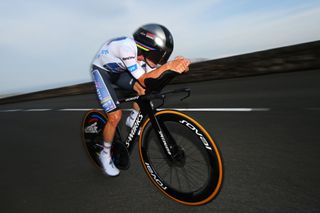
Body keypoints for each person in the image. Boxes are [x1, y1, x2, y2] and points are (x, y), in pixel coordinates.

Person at [91, 23, 191, 176]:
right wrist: (168, 67)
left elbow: (153, 83)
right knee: (115, 116)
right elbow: (146, 78)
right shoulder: (127, 48)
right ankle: (105, 154)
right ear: (145, 50)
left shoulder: (143, 56)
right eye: (158, 55)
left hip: (120, 71)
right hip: (102, 71)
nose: (160, 61)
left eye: (163, 57)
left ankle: (133, 118)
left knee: (143, 90)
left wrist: (176, 70)